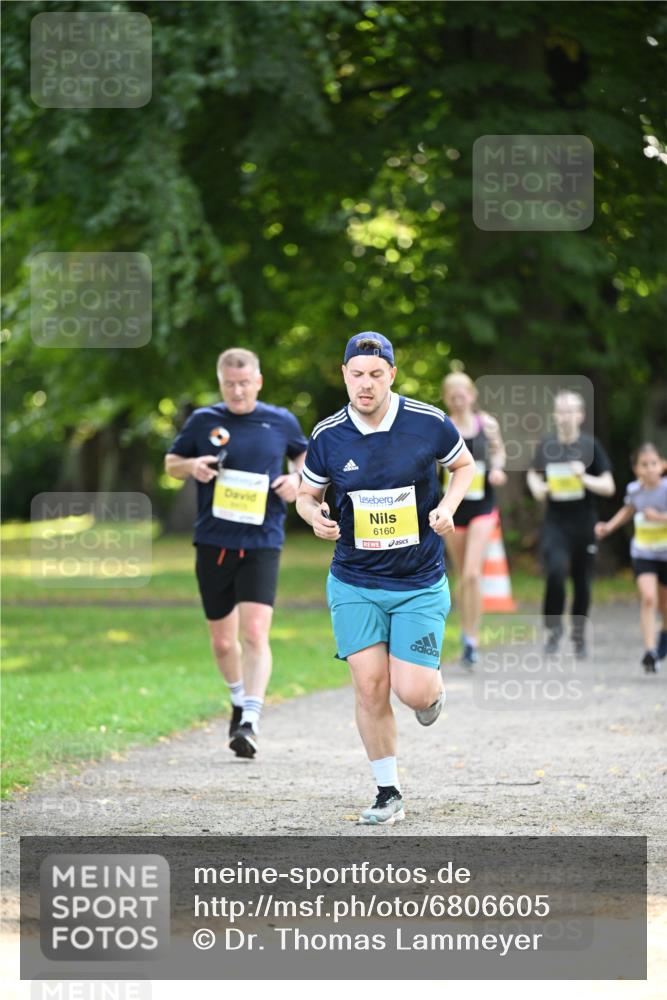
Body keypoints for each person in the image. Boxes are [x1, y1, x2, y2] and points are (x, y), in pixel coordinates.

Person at [296, 332, 475, 825]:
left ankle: (432, 691)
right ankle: (388, 791)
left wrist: (447, 506)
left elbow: (463, 465)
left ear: (392, 374)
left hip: (417, 580)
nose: (366, 384)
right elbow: (304, 495)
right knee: (370, 687)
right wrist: (314, 516)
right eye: (357, 375)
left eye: (376, 374)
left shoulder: (428, 422)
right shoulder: (328, 434)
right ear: (345, 375)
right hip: (354, 579)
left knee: (412, 691)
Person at [165, 348, 307, 758]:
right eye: (230, 384)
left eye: (245, 383)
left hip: (263, 539)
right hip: (214, 540)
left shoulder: (280, 420)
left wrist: (296, 479)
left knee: (255, 632)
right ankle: (237, 697)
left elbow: (305, 456)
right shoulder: (203, 421)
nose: (238, 391)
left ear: (258, 381)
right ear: (221, 382)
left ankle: (250, 719)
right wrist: (192, 467)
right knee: (224, 643)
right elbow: (171, 462)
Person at [527, 390, 615, 657]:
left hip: (583, 523)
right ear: (555, 415)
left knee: (582, 581)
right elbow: (532, 474)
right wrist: (539, 489)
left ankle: (578, 634)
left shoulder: (591, 447)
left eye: (570, 410)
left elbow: (609, 486)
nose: (565, 416)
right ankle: (553, 631)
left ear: (580, 415)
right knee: (554, 572)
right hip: (556, 522)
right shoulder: (547, 445)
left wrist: (584, 477)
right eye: (560, 411)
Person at [441, 372, 507, 666]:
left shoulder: (487, 423)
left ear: (472, 394)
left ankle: (472, 638)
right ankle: (465, 631)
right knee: (461, 576)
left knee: (471, 573)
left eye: (462, 392)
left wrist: (498, 469)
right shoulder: (442, 426)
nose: (458, 397)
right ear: (446, 397)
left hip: (482, 506)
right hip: (452, 508)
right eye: (452, 393)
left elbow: (499, 451)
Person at [595, 443, 667, 673]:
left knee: (664, 604)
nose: (649, 469)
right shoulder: (634, 490)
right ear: (636, 469)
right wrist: (609, 526)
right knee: (648, 597)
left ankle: (664, 634)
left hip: (665, 554)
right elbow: (628, 510)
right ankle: (650, 650)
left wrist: (658, 518)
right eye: (644, 465)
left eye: (653, 464)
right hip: (643, 552)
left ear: (663, 466)